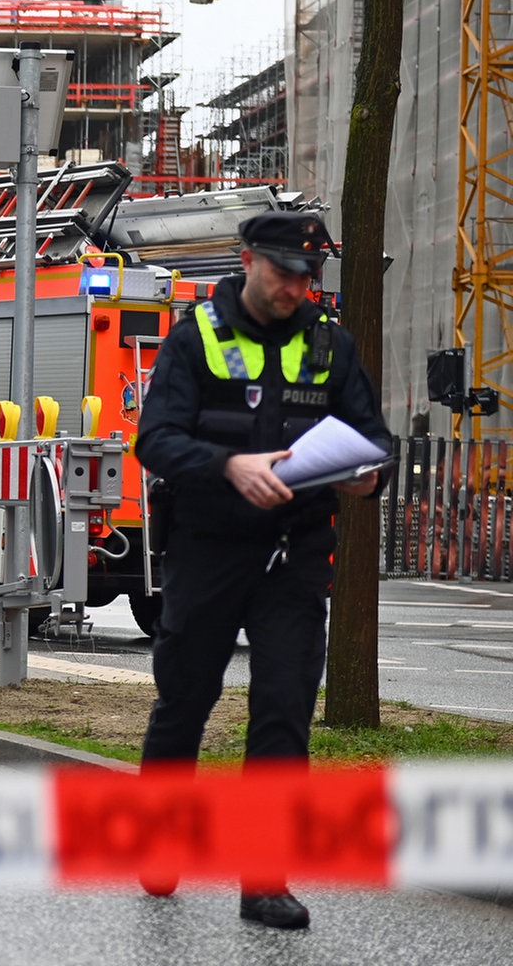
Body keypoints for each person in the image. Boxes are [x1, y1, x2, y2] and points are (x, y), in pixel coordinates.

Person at [133, 210, 394, 930]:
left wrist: (367, 477)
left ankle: (265, 881)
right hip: (209, 550)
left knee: (282, 715)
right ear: (247, 260)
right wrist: (227, 466)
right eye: (283, 272)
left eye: (307, 276)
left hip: (296, 555)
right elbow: (154, 441)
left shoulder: (329, 344)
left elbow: (374, 440)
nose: (295, 287)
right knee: (185, 702)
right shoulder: (196, 340)